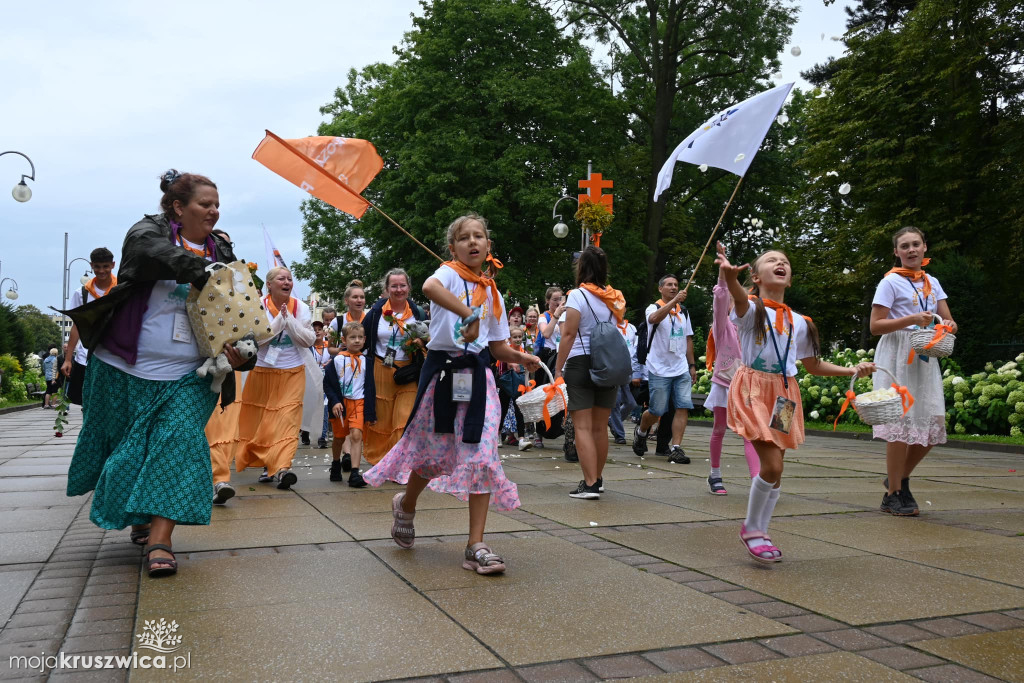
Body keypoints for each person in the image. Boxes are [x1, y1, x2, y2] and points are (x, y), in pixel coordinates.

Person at [65, 169, 248, 578]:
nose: (214, 211)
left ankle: (161, 540)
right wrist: (201, 270)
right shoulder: (148, 232)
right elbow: (151, 254)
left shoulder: (223, 247)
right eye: (205, 204)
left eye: (217, 204)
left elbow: (239, 305)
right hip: (124, 366)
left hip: (190, 373)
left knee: (179, 442)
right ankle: (143, 518)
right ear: (178, 207)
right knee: (130, 449)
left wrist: (244, 350)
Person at [364, 213, 540, 575]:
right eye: (465, 238)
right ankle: (406, 504)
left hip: (478, 378)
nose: (473, 242)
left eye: (479, 237)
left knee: (483, 456)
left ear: (488, 246)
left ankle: (476, 544)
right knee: (432, 457)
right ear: (453, 247)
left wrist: (523, 357)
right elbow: (429, 288)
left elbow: (497, 346)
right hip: (443, 374)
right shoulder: (447, 273)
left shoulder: (493, 293)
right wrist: (467, 313)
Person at [716, 243, 874, 563]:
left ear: (789, 279)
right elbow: (737, 297)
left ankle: (761, 529)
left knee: (779, 469)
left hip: (785, 395)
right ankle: (752, 529)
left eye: (784, 262)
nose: (780, 263)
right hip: (753, 389)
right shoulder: (751, 308)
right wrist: (730, 278)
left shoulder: (800, 322)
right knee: (770, 465)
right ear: (757, 278)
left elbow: (813, 365)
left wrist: (851, 370)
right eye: (771, 260)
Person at [869, 226, 957, 516]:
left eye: (915, 244)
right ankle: (894, 493)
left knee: (933, 424)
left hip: (925, 353)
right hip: (896, 354)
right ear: (896, 252)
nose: (911, 250)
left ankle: (899, 478)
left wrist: (949, 326)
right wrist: (910, 318)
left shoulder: (932, 281)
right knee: (897, 423)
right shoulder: (890, 282)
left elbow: (947, 318)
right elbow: (875, 325)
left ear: (924, 248)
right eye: (904, 246)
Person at [233, 267, 316, 490]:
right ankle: (266, 466)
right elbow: (256, 340)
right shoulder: (257, 305)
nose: (287, 282)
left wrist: (291, 322)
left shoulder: (301, 307)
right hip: (262, 370)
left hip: (293, 371)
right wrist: (280, 320)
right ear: (269, 284)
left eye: (289, 279)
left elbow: (309, 340)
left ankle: (282, 468)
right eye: (281, 278)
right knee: (262, 423)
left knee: (288, 421)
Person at [554, 246, 627, 500]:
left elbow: (569, 334)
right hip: (606, 364)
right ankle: (598, 478)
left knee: (583, 427)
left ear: (581, 268)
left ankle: (590, 483)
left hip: (580, 363)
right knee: (599, 428)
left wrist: (558, 368)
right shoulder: (614, 297)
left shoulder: (577, 295)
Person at [703, 245, 761, 495]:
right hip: (725, 383)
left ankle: (758, 481)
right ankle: (714, 475)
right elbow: (720, 298)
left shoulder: (750, 326)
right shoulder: (722, 324)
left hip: (748, 385)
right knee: (719, 429)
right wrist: (724, 276)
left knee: (749, 434)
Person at [362, 270, 427, 466]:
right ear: (387, 289)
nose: (399, 290)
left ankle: (399, 464)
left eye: (402, 285)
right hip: (381, 368)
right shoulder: (375, 313)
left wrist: (422, 343)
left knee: (403, 419)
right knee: (381, 420)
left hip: (408, 372)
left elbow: (429, 339)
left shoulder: (418, 313)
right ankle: (381, 462)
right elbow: (363, 338)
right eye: (394, 286)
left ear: (409, 287)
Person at [631, 275, 695, 463]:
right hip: (659, 368)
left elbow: (688, 339)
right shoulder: (654, 307)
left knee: (683, 406)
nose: (674, 287)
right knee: (657, 410)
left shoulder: (683, 312)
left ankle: (676, 448)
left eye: (676, 285)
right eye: (669, 285)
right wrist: (674, 302)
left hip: (680, 367)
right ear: (660, 289)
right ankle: (642, 431)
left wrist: (691, 365)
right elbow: (654, 319)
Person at [62, 247, 117, 405]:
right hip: (86, 356)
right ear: (91, 265)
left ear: (113, 265)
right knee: (87, 402)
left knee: (111, 403)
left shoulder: (120, 289)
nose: (101, 271)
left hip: (115, 356)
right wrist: (68, 359)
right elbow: (77, 327)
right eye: (97, 266)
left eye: (105, 266)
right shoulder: (82, 293)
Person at [324, 322, 369, 486]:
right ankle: (336, 463)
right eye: (352, 337)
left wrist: (371, 410)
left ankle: (355, 473)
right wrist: (335, 401)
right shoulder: (336, 360)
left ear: (364, 340)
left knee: (357, 435)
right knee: (339, 437)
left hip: (359, 402)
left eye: (360, 337)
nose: (356, 341)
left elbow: (370, 386)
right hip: (341, 405)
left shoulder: (366, 362)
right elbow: (328, 383)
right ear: (344, 339)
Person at [330, 280, 368, 468]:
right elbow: (329, 347)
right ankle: (344, 455)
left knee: (355, 429)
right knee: (340, 429)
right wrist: (344, 352)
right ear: (347, 300)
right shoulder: (338, 321)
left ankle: (351, 462)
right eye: (355, 297)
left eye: (362, 297)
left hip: (362, 369)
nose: (359, 300)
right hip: (343, 368)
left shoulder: (369, 319)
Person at [607, 319, 640, 445]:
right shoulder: (609, 326)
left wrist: (637, 372)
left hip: (627, 370)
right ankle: (620, 434)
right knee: (615, 402)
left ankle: (612, 421)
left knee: (631, 403)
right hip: (614, 369)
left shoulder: (632, 328)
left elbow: (636, 349)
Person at [311, 321, 333, 449]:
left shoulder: (329, 346)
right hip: (312, 382)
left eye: (320, 329)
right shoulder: (308, 347)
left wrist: (331, 361)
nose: (317, 331)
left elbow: (337, 356)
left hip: (325, 382)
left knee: (324, 407)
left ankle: (322, 437)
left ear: (324, 332)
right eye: (314, 329)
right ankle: (307, 432)